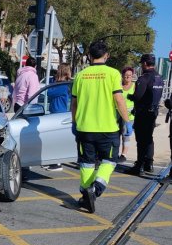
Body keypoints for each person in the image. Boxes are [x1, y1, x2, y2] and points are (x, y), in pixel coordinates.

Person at [71, 41, 130, 213]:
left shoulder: (80, 75)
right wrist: (127, 121)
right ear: (106, 56)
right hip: (108, 129)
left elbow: (74, 103)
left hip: (84, 128)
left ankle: (85, 196)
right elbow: (118, 99)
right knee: (109, 161)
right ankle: (95, 189)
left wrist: (74, 122)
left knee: (86, 163)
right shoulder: (113, 74)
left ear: (89, 56)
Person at [126, 54, 164, 176]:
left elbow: (138, 96)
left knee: (141, 140)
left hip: (143, 112)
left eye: (142, 63)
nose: (141, 65)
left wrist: (130, 96)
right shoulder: (159, 77)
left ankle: (140, 166)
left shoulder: (144, 78)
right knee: (149, 138)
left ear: (145, 64)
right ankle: (149, 164)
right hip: (153, 112)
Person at [44, 63, 72, 171]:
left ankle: (57, 163)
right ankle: (53, 161)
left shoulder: (63, 85)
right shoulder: (60, 84)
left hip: (59, 114)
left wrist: (54, 82)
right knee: (52, 138)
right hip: (55, 112)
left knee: (56, 139)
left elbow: (49, 93)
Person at [119, 66, 136, 162]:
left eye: (130, 75)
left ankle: (124, 154)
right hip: (118, 113)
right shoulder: (118, 86)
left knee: (125, 134)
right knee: (116, 134)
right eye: (126, 75)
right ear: (122, 76)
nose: (128, 77)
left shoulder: (135, 86)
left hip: (129, 115)